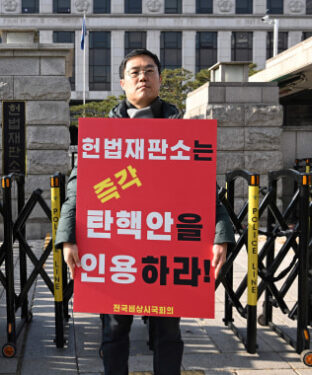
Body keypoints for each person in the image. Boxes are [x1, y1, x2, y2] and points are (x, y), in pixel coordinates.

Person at [55, 49, 235, 375]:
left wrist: (220, 235)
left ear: (160, 80)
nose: (142, 77)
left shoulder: (184, 133)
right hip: (116, 252)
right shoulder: (101, 136)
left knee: (168, 334)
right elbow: (77, 190)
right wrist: (67, 237)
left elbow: (206, 193)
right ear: (123, 82)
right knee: (113, 332)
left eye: (149, 71)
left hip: (169, 251)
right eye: (135, 72)